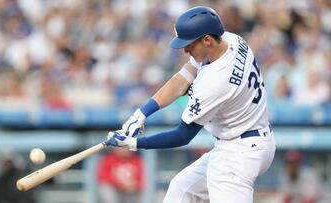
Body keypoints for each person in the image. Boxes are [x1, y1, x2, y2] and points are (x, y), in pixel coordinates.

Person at [104, 6, 276, 203]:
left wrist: (135, 144)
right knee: (181, 190)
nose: (185, 50)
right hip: (251, 139)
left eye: (189, 45)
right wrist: (141, 115)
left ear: (207, 40)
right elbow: (182, 80)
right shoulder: (232, 40)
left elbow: (182, 136)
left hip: (239, 153)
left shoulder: (215, 82)